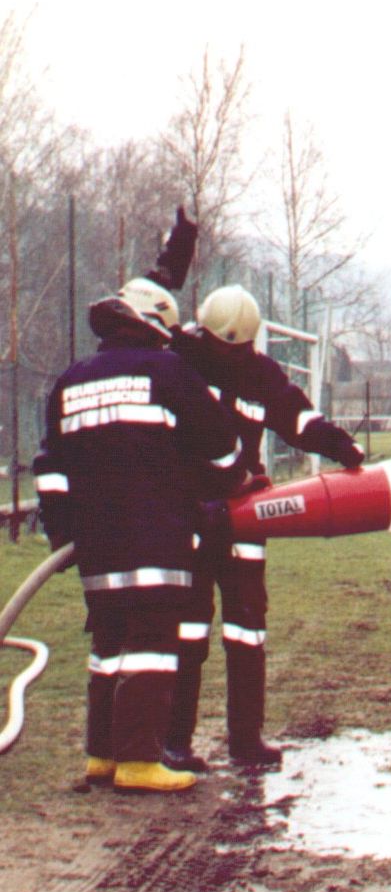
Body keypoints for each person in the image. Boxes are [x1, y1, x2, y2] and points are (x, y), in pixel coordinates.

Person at [32, 278, 244, 793]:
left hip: (94, 542)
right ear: (155, 325)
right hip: (156, 536)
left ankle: (102, 756)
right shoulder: (167, 370)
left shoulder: (71, 379)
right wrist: (219, 488)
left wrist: (63, 531)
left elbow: (50, 468)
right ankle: (140, 762)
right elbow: (222, 449)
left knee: (109, 644)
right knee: (151, 643)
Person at [162, 283, 365, 771]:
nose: (231, 355)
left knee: (247, 630)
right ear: (205, 333)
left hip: (245, 519)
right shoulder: (179, 361)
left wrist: (342, 446)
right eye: (224, 346)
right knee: (187, 631)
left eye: (240, 348)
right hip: (191, 515)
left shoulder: (261, 373)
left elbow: (299, 419)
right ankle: (175, 742)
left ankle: (246, 740)